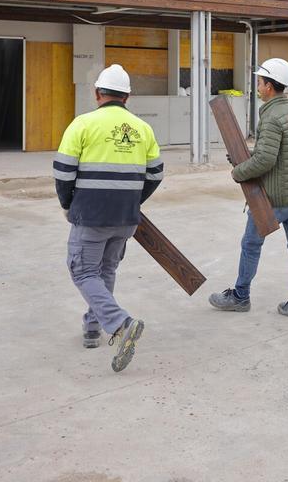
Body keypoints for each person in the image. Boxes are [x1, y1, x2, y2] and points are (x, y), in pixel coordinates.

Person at [54, 64, 163, 372]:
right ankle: (92, 326)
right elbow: (156, 173)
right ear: (127, 96)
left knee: (83, 271)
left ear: (97, 93)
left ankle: (119, 323)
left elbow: (63, 172)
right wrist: (132, 200)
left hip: (91, 216)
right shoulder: (143, 129)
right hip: (126, 218)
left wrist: (68, 204)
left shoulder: (83, 124)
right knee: (105, 270)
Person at [209, 58, 288, 320]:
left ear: (269, 86)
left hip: (276, 200)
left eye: (259, 82)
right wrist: (248, 156)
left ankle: (240, 296)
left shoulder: (271, 118)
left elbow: (266, 160)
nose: (257, 86)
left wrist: (238, 172)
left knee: (250, 244)